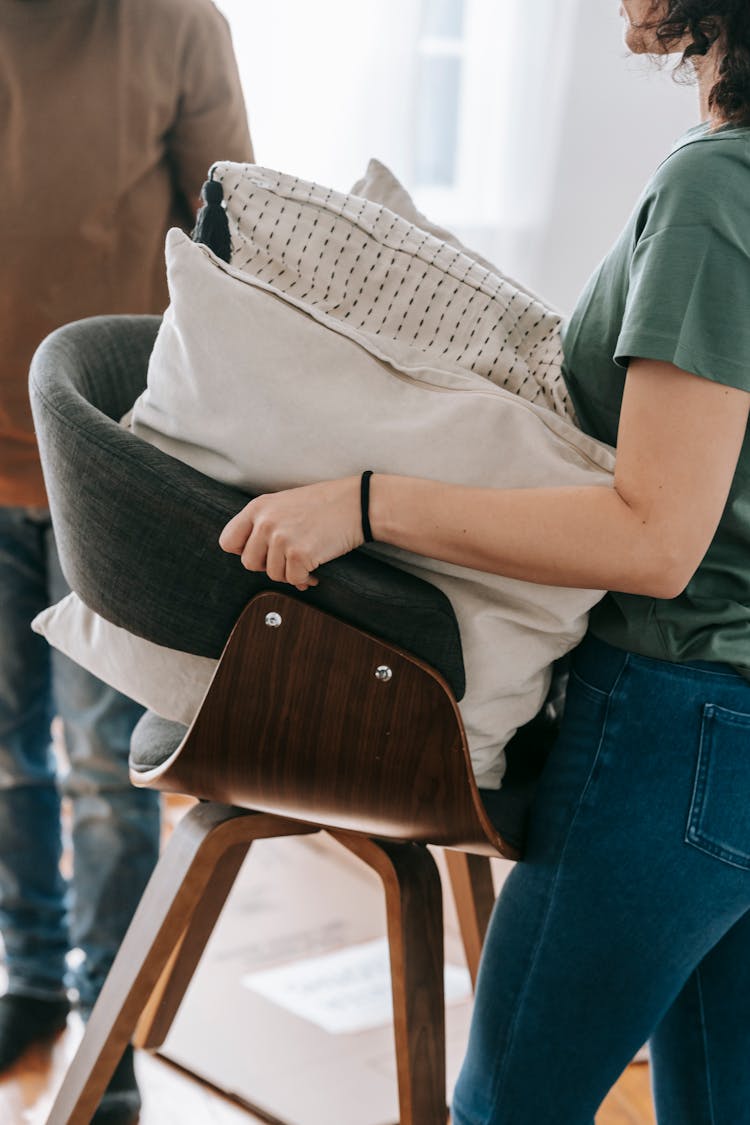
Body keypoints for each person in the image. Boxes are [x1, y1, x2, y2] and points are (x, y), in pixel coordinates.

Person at [218, 2, 750, 1121]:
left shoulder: (717, 192)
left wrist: (368, 504)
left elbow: (654, 540)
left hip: (676, 727)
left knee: (512, 1107)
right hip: (726, 734)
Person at [0, 1, 253, 1121]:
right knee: (7, 754)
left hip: (106, 464)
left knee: (107, 769)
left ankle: (109, 1038)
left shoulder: (178, 21)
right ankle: (33, 977)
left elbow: (231, 240)